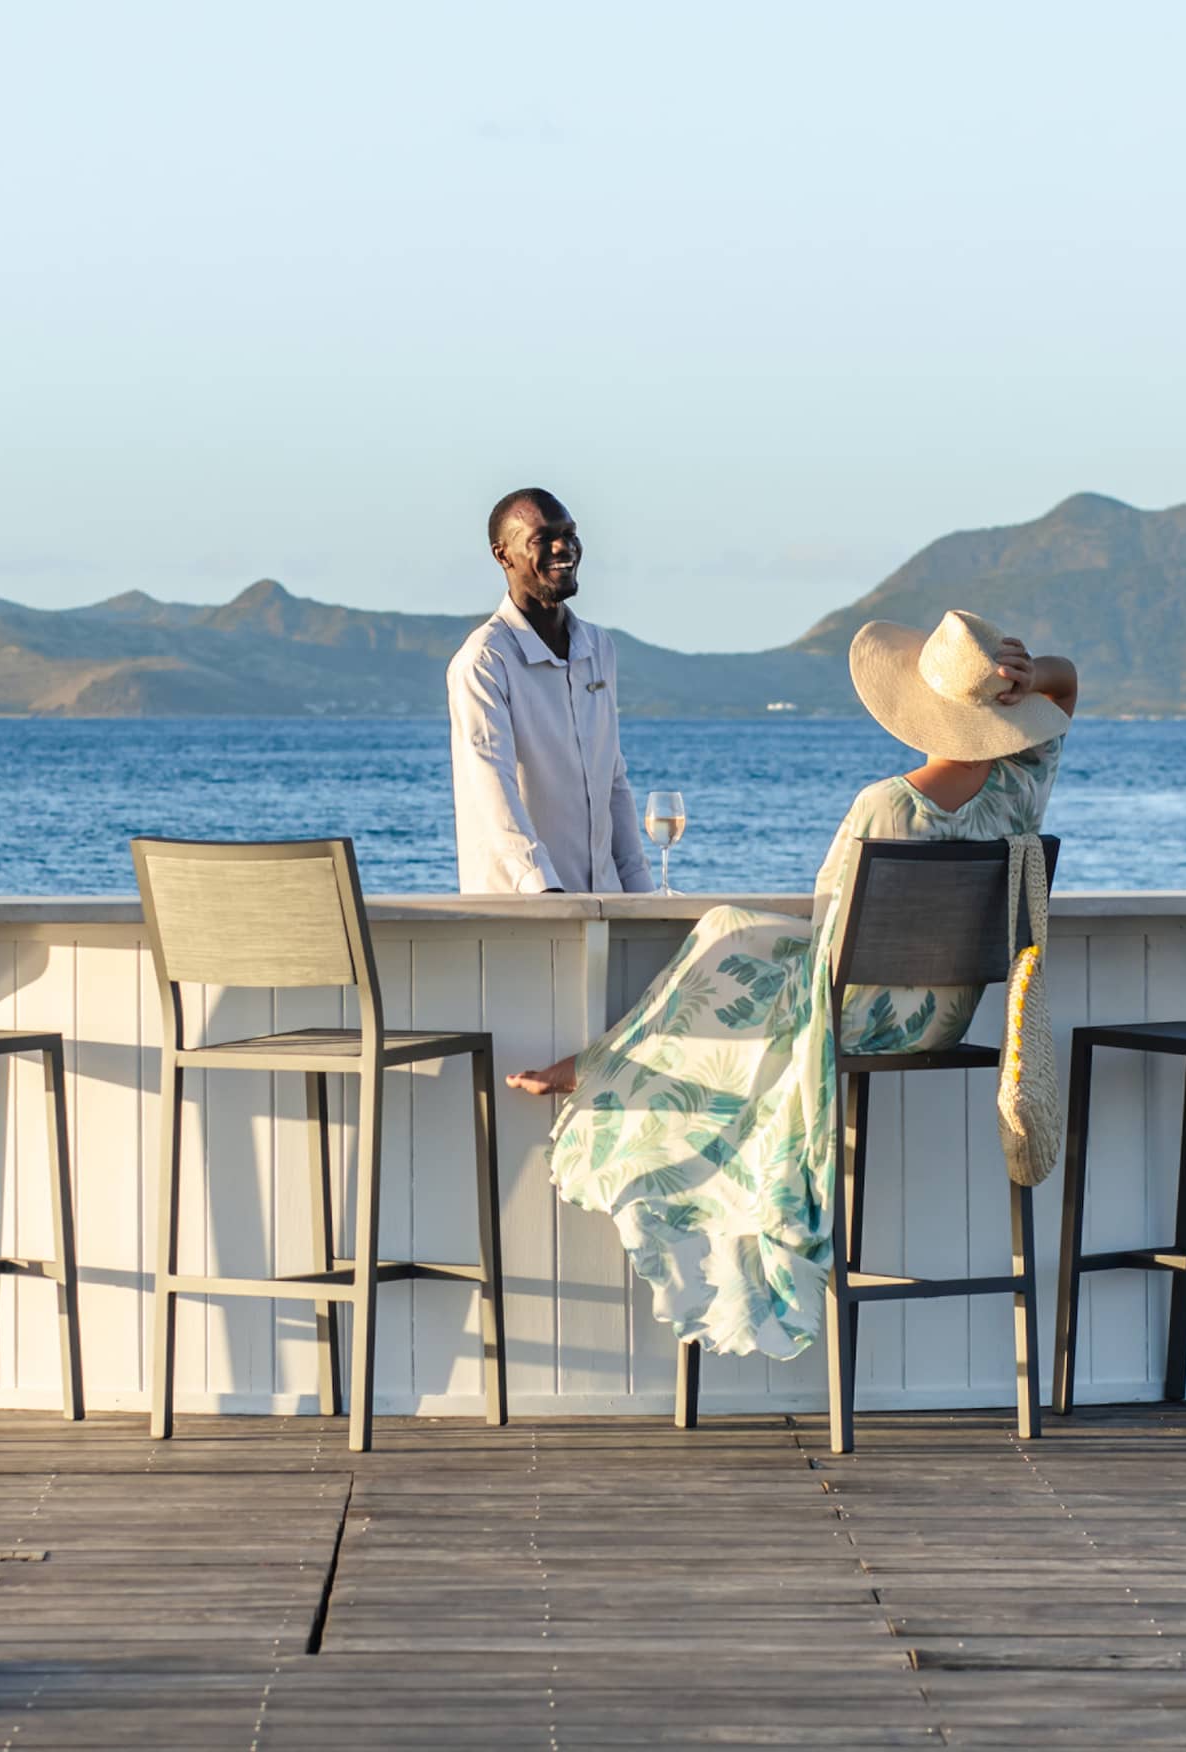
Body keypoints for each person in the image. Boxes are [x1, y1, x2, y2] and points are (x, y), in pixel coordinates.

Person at [507, 609, 1078, 1361]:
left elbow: (834, 938)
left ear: (918, 712)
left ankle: (606, 1064)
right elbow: (1068, 691)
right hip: (946, 1021)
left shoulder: (884, 805)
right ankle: (605, 1058)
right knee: (735, 931)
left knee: (723, 930)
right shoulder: (1020, 792)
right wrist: (1033, 679)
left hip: (854, 1021)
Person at [448, 488, 655, 895]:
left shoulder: (599, 648)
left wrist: (640, 891)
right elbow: (492, 786)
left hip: (607, 905)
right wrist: (543, 890)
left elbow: (612, 779)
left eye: (570, 534)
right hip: (523, 916)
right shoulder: (484, 661)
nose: (565, 547)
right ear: (503, 555)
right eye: (544, 538)